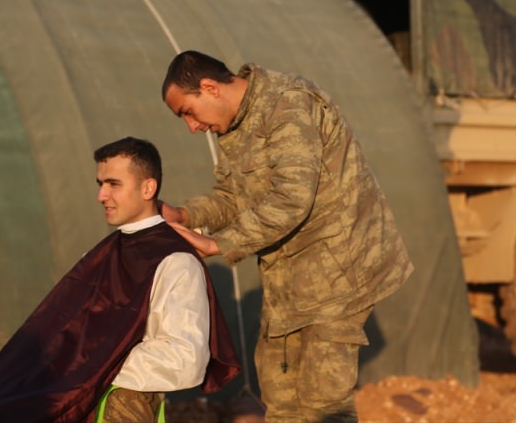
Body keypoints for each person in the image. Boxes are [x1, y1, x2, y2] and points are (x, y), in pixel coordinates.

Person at [160, 50, 413, 423]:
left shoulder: (287, 102)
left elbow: (292, 198)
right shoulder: (236, 125)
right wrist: (183, 215)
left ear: (210, 88)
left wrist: (219, 244)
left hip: (337, 276)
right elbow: (232, 198)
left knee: (324, 406)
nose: (192, 127)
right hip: (288, 282)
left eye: (187, 112)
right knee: (281, 403)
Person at [0, 136, 240, 423]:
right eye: (100, 184)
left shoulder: (176, 262)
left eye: (113, 184)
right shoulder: (96, 256)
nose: (101, 195)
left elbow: (186, 360)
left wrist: (95, 365)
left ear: (148, 188)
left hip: (121, 405)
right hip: (69, 397)